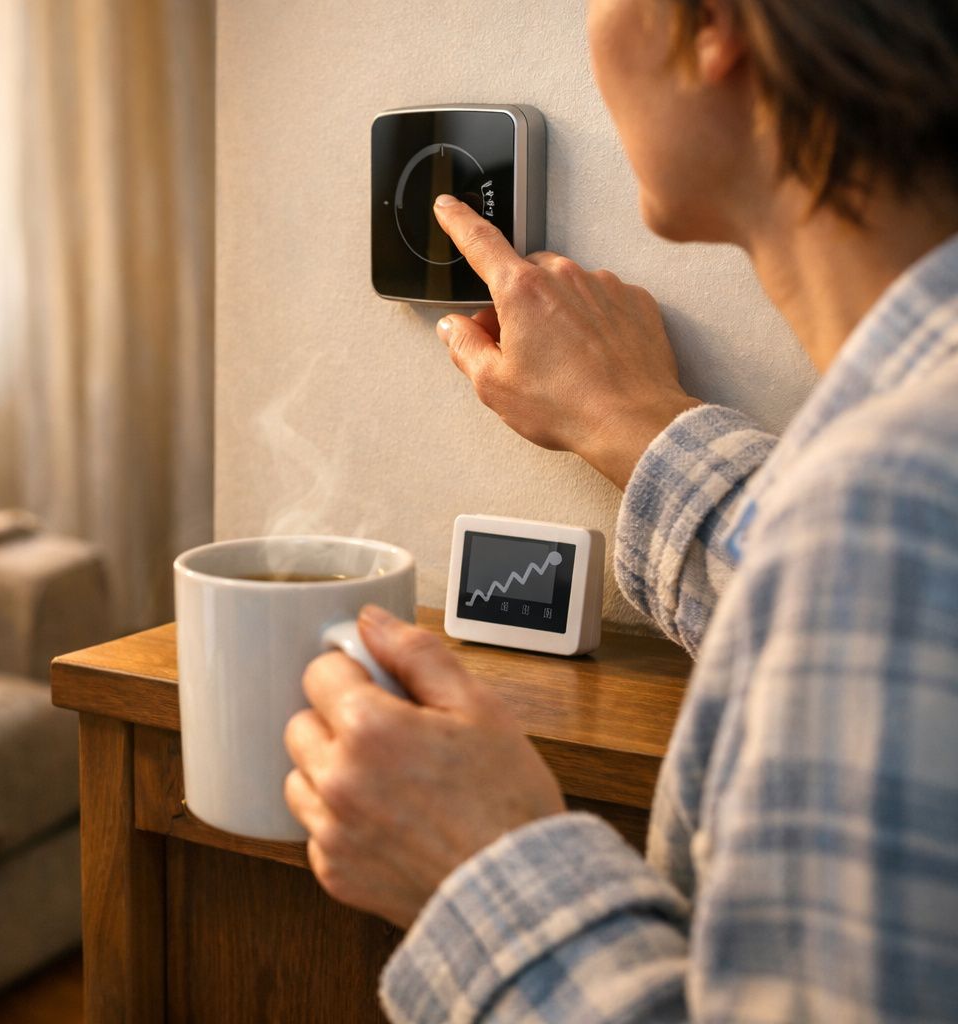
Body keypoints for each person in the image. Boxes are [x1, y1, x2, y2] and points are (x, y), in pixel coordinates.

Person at [281, 0, 958, 1019]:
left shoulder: (893, 501)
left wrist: (482, 865)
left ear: (714, 27)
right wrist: (633, 421)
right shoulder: (897, 486)